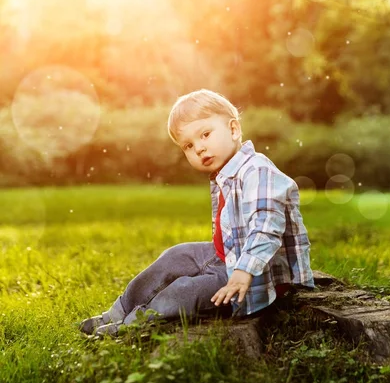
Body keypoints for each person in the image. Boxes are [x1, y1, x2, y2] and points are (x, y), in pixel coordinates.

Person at [79, 89, 314, 337]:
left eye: (205, 134)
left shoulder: (258, 170)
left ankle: (131, 326)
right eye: (189, 145)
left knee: (183, 291)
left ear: (233, 130)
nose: (199, 148)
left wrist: (243, 272)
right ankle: (117, 312)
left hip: (256, 274)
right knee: (174, 256)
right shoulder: (227, 173)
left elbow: (267, 228)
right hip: (226, 258)